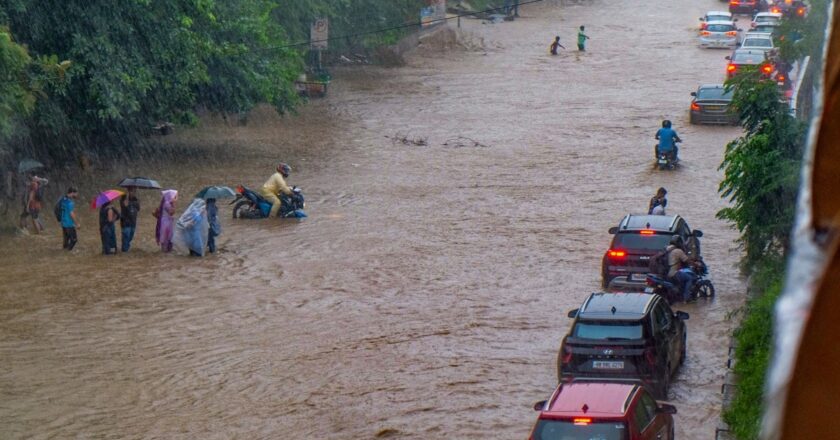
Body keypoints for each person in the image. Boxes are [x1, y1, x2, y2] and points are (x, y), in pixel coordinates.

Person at [666, 235, 696, 302]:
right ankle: (686, 298)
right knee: (689, 278)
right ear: (679, 243)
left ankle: (680, 295)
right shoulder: (678, 251)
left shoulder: (668, 249)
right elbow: (686, 260)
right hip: (675, 273)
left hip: (668, 273)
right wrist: (695, 263)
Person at [119, 187, 141, 252]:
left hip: (133, 221)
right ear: (128, 191)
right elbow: (123, 207)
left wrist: (137, 203)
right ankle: (124, 250)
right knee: (126, 235)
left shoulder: (136, 200)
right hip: (125, 221)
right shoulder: (123, 198)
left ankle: (126, 247)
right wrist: (125, 204)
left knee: (131, 235)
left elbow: (138, 208)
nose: (133, 193)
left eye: (134, 191)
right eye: (131, 191)